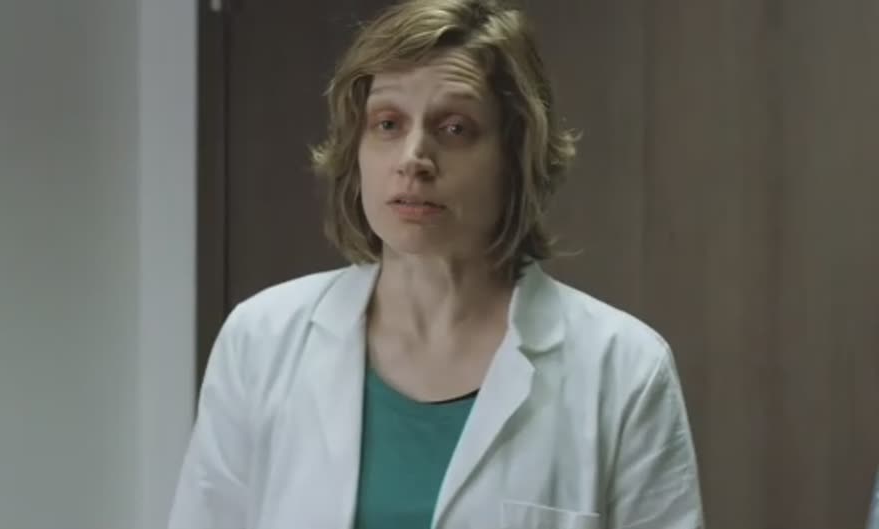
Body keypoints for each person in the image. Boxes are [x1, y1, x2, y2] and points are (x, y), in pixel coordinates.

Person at [167, 0, 705, 528]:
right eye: (387, 124)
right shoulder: (261, 340)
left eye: (454, 129)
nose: (413, 160)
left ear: (515, 155)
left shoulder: (624, 369)